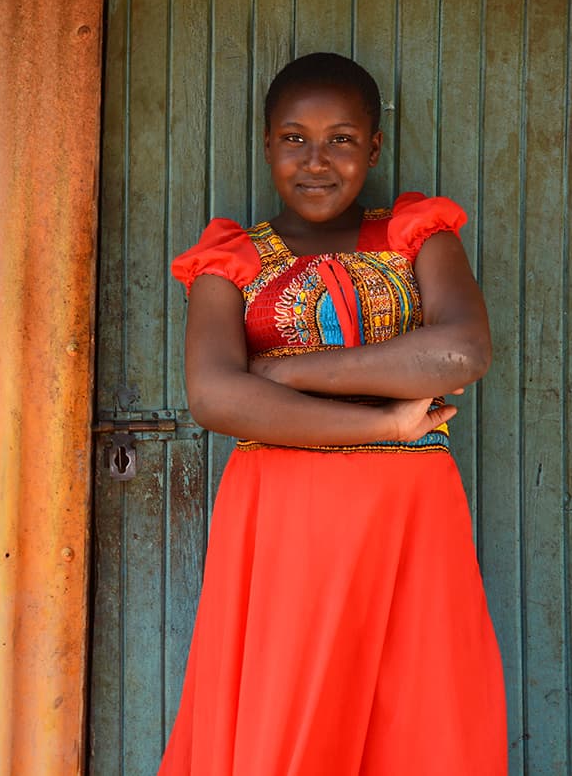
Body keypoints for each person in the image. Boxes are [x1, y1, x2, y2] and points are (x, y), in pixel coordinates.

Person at [157, 53, 507, 775]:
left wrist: (287, 373)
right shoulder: (231, 260)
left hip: (408, 520)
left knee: (417, 718)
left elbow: (460, 352)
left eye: (342, 139)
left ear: (374, 148)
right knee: (290, 716)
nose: (317, 161)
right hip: (284, 523)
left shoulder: (417, 237)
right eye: (294, 138)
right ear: (266, 144)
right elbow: (217, 397)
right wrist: (384, 422)